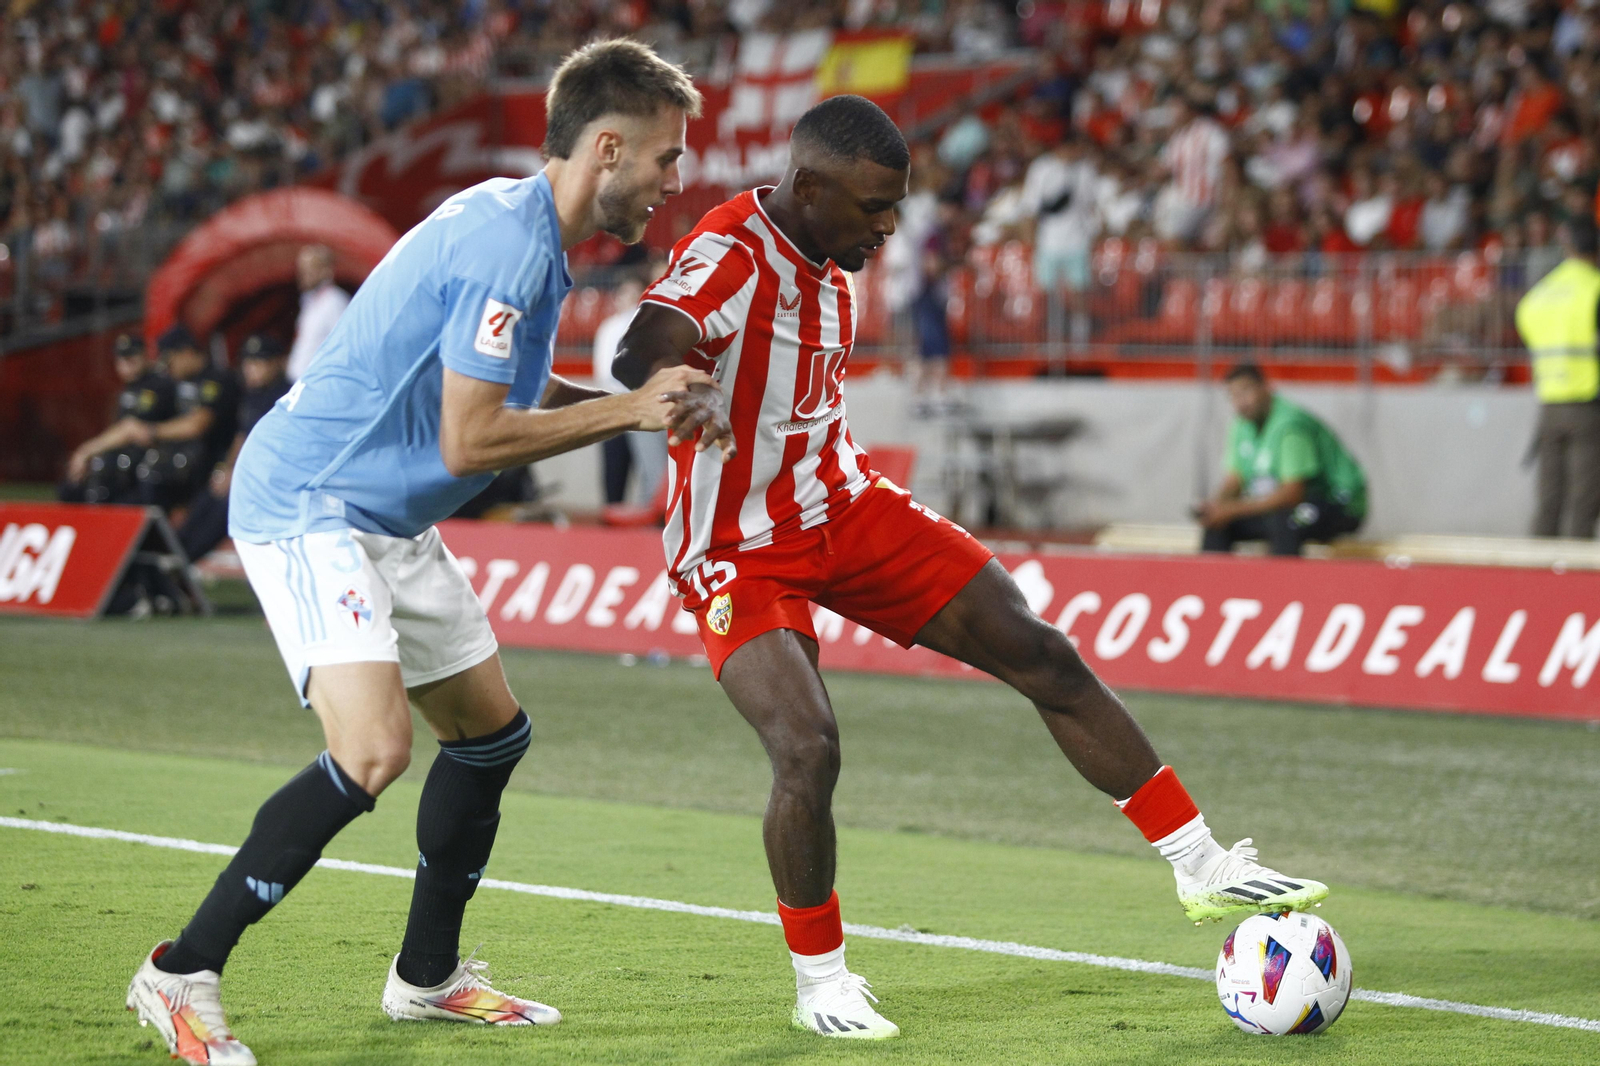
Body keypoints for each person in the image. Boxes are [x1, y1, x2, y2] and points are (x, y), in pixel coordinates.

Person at [612, 95, 1327, 1042]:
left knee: (1043, 652)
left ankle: (1198, 862)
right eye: (872, 207)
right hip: (736, 546)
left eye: (894, 205)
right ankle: (821, 979)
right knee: (807, 748)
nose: (889, 225)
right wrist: (681, 378)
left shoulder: (834, 254)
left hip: (844, 503)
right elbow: (640, 348)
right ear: (809, 187)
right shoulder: (732, 250)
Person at [126, 40, 715, 1066]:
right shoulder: (512, 249)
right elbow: (471, 440)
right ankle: (181, 971)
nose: (675, 181)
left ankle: (426, 977)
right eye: (665, 159)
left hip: (382, 514)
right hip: (312, 500)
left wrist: (634, 409)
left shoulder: (522, 226)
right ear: (608, 147)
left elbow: (504, 402)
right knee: (373, 751)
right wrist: (627, 410)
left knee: (490, 735)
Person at [1196, 363, 1367, 555]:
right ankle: (1210, 585)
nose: (1240, 402)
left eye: (1245, 391)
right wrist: (1217, 507)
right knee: (1218, 525)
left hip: (1338, 503)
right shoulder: (1241, 425)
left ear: (1265, 387)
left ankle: (1283, 585)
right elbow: (1236, 478)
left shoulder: (1289, 425)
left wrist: (1232, 509)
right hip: (1286, 506)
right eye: (1233, 395)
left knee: (1286, 522)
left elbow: (1292, 493)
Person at [1516, 217, 1600, 538]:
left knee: (1549, 498)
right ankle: (1577, 582)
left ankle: (1538, 577)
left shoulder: (1542, 293)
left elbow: (1524, 320)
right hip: (1587, 405)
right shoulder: (1594, 288)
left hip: (1549, 405)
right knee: (1585, 499)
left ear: (1568, 248)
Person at [175, 334, 292, 563]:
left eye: (259, 362)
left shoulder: (286, 394)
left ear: (278, 362)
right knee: (200, 509)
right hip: (240, 474)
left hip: (266, 481)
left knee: (218, 519)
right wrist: (225, 469)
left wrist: (234, 474)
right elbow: (241, 436)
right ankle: (174, 558)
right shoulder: (253, 394)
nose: (251, 369)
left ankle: (181, 563)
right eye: (248, 362)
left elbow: (268, 447)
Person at [59, 332, 176, 503]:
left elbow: (130, 429)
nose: (126, 365)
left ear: (144, 355)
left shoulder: (159, 385)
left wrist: (87, 451)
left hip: (149, 459)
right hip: (123, 458)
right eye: (121, 359)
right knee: (71, 488)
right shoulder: (129, 388)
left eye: (131, 358)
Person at [136, 326, 241, 512]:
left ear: (186, 352)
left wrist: (152, 431)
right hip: (184, 466)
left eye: (170, 361)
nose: (168, 369)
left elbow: (197, 425)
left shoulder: (217, 379)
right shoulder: (176, 383)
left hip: (213, 467)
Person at [591, 276, 668, 505]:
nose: (631, 300)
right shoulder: (609, 327)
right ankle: (611, 519)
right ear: (617, 298)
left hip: (642, 401)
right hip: (615, 401)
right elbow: (604, 370)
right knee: (614, 471)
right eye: (627, 294)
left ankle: (651, 515)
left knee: (651, 468)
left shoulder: (651, 326)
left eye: (636, 294)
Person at [284, 244, 351, 382]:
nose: (303, 275)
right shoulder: (309, 301)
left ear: (326, 270)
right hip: (299, 383)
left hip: (317, 383)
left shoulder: (335, 301)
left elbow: (342, 346)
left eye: (310, 269)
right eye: (301, 269)